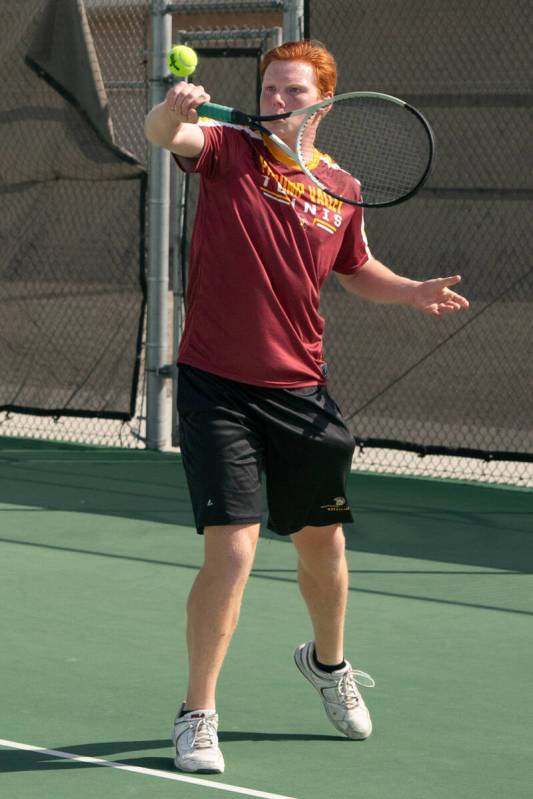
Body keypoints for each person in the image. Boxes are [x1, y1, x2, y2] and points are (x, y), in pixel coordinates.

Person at [144, 40, 469, 775]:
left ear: (323, 102)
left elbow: (357, 268)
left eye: (293, 91)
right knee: (232, 549)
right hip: (215, 383)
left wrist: (411, 290)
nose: (278, 100)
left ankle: (327, 664)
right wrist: (169, 113)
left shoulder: (340, 186)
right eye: (269, 87)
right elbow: (169, 137)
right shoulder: (227, 149)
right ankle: (197, 712)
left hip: (299, 390)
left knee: (322, 547)